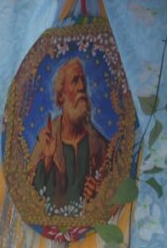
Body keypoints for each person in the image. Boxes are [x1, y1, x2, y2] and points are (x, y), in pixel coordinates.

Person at [31, 58, 115, 216]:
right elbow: (31, 196)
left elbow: (116, 187)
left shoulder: (99, 144)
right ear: (61, 95)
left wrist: (99, 191)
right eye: (75, 81)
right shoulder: (47, 140)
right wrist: (48, 160)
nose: (82, 87)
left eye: (83, 80)